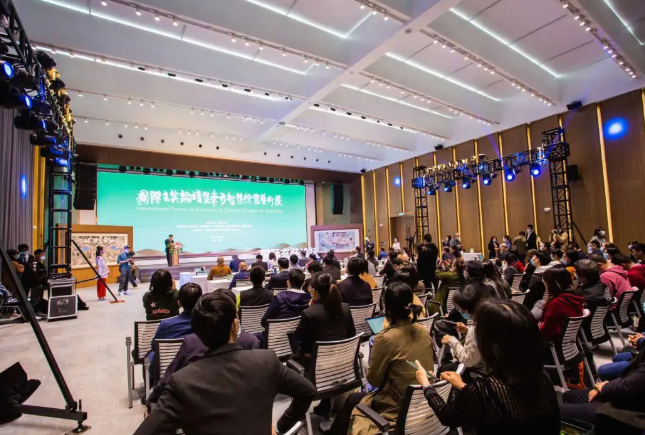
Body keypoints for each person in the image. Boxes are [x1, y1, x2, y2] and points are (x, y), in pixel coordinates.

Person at [134, 291, 316, 435]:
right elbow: (307, 390)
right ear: (235, 325)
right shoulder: (266, 361)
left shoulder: (182, 382)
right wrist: (283, 425)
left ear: (197, 332)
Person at [415, 300, 560, 435]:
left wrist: (426, 386)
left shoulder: (482, 389)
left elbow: (447, 417)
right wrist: (462, 386)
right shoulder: (542, 377)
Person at [329, 282, 433, 435]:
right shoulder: (424, 331)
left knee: (353, 400)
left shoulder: (385, 338)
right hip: (422, 400)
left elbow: (374, 380)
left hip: (397, 405)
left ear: (387, 307)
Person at [146, 288, 260, 410]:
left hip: (199, 410)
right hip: (243, 409)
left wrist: (152, 401)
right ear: (235, 317)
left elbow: (168, 378)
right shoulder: (251, 342)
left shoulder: (192, 342)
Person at [560, 344, 645, 435]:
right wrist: (606, 385)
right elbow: (631, 377)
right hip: (627, 398)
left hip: (631, 413)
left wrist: (604, 388)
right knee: (569, 395)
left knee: (556, 412)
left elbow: (630, 386)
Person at [291, 272, 356, 364]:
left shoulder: (309, 313)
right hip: (342, 358)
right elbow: (352, 334)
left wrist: (310, 310)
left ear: (314, 291)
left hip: (317, 363)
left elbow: (298, 339)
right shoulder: (345, 307)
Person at [147, 283, 203, 383]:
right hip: (199, 373)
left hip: (170, 374)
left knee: (151, 355)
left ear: (179, 303)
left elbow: (154, 346)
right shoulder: (207, 323)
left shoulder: (166, 324)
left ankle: (150, 386)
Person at [439, 285, 486, 375]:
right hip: (489, 366)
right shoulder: (488, 318)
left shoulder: (476, 329)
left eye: (458, 308)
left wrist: (452, 341)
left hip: (479, 371)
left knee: (442, 371)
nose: (458, 310)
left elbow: (468, 361)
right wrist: (467, 330)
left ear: (467, 309)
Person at [259, 270, 310, 346]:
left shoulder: (279, 298)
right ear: (303, 283)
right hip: (298, 342)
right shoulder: (309, 300)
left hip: (276, 340)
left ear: (288, 283)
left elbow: (264, 322)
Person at [533, 266, 584, 342]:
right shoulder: (577, 297)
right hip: (569, 340)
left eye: (545, 282)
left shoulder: (556, 303)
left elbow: (547, 331)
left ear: (552, 284)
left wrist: (538, 327)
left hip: (551, 342)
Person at [23, 249, 49, 317]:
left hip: (40, 284)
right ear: (37, 255)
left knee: (39, 298)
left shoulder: (39, 263)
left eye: (44, 254)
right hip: (36, 284)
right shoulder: (34, 263)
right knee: (35, 299)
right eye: (42, 254)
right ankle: (35, 312)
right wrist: (38, 281)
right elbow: (34, 273)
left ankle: (39, 311)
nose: (43, 256)